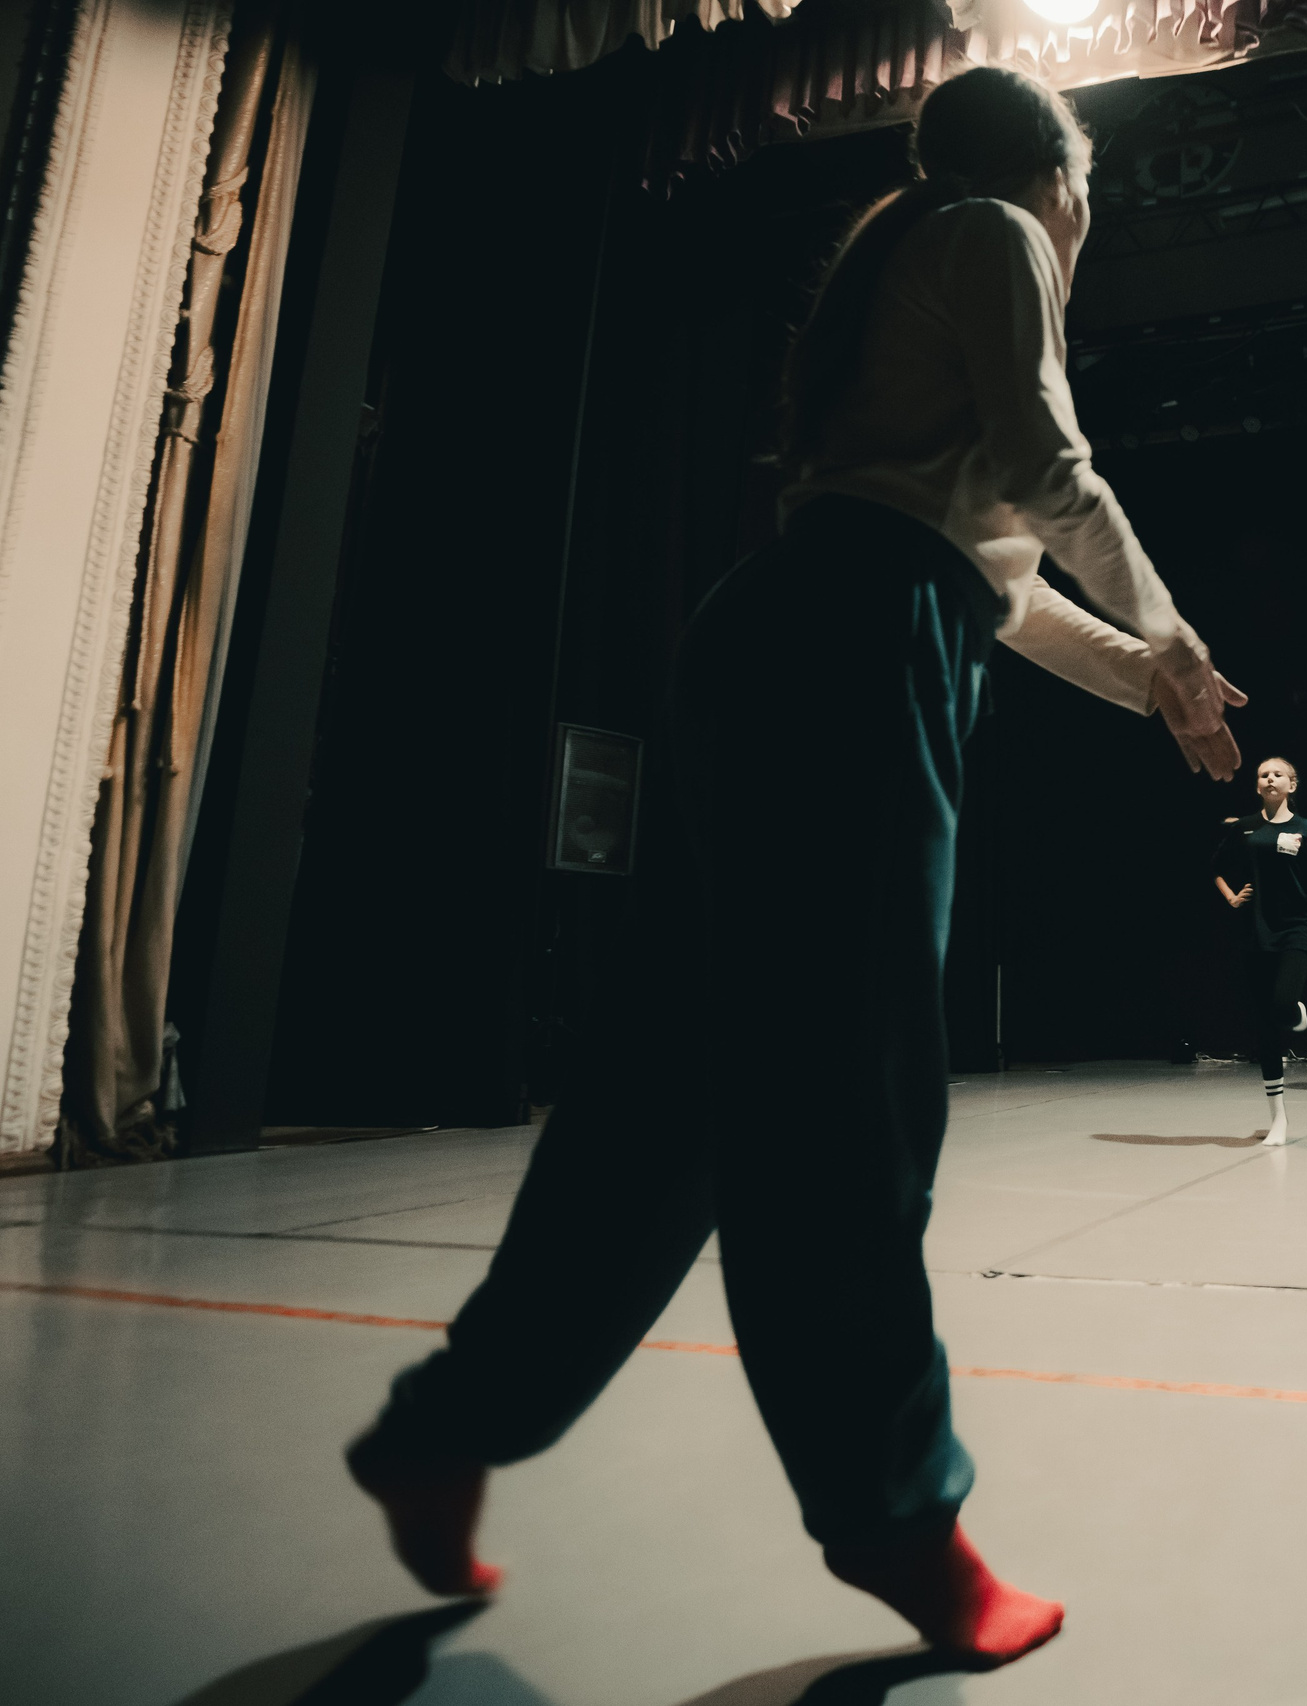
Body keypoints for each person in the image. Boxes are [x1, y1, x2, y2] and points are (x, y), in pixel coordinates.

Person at [342, 67, 1246, 1673]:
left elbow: (1007, 588)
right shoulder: (998, 232)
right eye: (1090, 191)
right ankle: (900, 1517)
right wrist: (1176, 634)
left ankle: (448, 1423)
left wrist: (1151, 683)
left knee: (663, 1102)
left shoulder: (910, 263)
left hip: (792, 639)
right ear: (1060, 178)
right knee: (849, 1101)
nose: (1090, 218)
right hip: (850, 659)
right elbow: (1053, 465)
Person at [1213, 757, 1307, 1144]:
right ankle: (1278, 1119)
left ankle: (1294, 1010)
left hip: (1297, 929)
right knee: (1265, 1027)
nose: (1269, 778)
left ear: (1292, 785)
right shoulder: (1246, 827)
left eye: (1277, 774)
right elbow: (1216, 867)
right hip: (1256, 932)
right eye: (1263, 774)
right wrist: (1233, 898)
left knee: (1283, 1003)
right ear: (1257, 786)